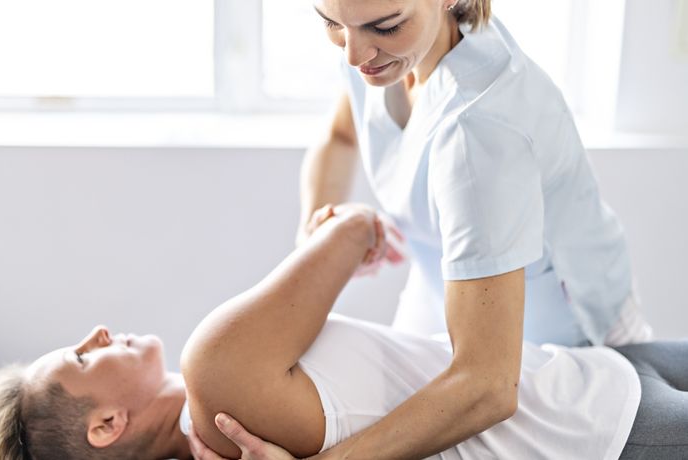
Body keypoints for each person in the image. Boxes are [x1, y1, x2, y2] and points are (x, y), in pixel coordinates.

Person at [189, 0, 654, 457]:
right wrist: (318, 238)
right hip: (445, 292)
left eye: (385, 26)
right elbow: (342, 136)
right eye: (331, 23)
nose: (352, 54)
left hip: (567, 332)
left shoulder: (478, 129)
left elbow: (488, 385)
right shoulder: (377, 49)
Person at [0, 205, 687, 460]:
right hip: (602, 429)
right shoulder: (214, 365)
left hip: (588, 376)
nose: (98, 332)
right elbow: (356, 230)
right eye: (80, 354)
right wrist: (334, 232)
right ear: (106, 425)